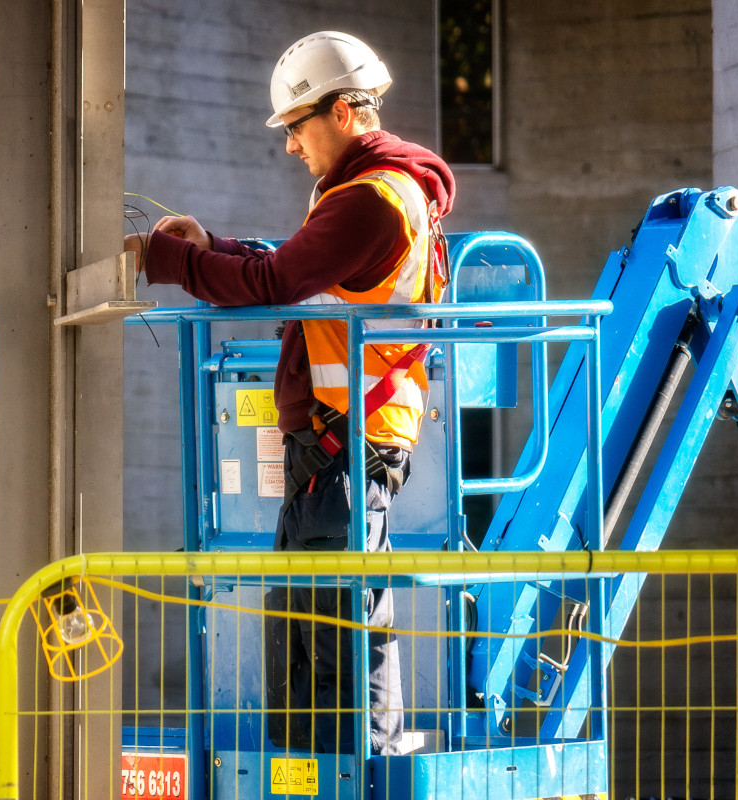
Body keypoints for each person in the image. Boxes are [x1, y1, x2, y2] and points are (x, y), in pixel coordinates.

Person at [124, 31, 455, 756]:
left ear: (342, 113)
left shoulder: (371, 198)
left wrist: (163, 258)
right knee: (306, 628)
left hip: (348, 444)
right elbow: (295, 265)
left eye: (297, 128)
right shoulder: (377, 188)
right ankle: (314, 772)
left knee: (337, 631)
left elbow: (275, 285)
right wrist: (210, 245)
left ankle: (358, 774)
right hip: (339, 445)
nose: (290, 147)